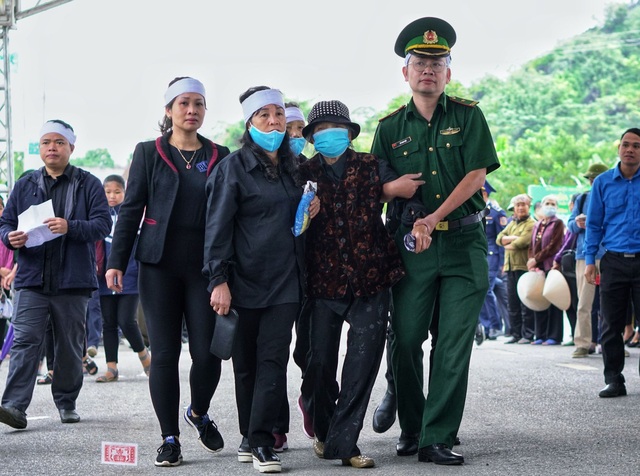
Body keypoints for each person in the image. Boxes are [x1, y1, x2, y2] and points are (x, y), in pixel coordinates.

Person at [371, 17, 499, 465]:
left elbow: (476, 175)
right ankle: (412, 427)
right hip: (412, 251)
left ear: (449, 71)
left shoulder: (468, 115)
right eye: (420, 62)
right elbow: (377, 185)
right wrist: (397, 203)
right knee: (405, 339)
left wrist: (432, 218)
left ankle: (436, 436)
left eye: (437, 62)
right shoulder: (388, 128)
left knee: (451, 343)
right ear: (405, 73)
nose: (428, 69)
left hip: (464, 245)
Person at [105, 77, 230, 466]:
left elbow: (231, 214)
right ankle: (169, 438)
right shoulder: (148, 152)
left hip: (205, 268)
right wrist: (116, 263)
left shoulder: (220, 154)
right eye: (184, 103)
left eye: (198, 104)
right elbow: (130, 211)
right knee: (164, 353)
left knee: (210, 352)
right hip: (159, 265)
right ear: (169, 110)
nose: (192, 110)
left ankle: (198, 412)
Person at [204, 86, 317, 474]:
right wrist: (218, 280)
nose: (273, 122)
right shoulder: (232, 169)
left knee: (273, 359)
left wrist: (310, 211)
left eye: (279, 115)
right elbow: (216, 229)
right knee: (246, 365)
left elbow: (296, 222)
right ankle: (249, 437)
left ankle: (262, 441)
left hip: (285, 281)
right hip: (243, 281)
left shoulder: (295, 168)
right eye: (264, 115)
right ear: (249, 122)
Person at [298, 100, 405, 469]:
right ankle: (325, 432)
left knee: (362, 364)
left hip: (371, 278)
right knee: (318, 364)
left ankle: (346, 444)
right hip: (321, 282)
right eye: (322, 129)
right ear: (312, 137)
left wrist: (415, 211)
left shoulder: (370, 165)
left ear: (350, 133)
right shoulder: (302, 172)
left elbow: (399, 189)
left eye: (338, 128)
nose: (331, 134)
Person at [0, 119, 111, 429]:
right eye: (47, 142)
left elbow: (104, 224)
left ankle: (66, 402)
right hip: (32, 280)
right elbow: (5, 224)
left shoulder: (88, 184)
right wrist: (10, 237)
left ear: (71, 148)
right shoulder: (25, 185)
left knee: (69, 345)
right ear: (40, 148)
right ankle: (13, 406)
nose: (52, 147)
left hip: (73, 280)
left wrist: (69, 226)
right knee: (25, 342)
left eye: (59, 142)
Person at [584, 128, 640, 398]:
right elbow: (593, 224)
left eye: (637, 146)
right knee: (611, 324)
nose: (630, 150)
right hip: (614, 261)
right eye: (626, 145)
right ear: (619, 148)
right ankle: (614, 379)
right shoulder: (603, 182)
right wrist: (589, 260)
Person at [270, 102, 311, 452]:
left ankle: (311, 402)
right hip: (275, 275)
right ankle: (275, 425)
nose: (295, 137)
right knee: (274, 352)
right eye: (290, 129)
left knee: (311, 349)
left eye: (301, 131)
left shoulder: (316, 170)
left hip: (313, 272)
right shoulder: (260, 169)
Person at [95, 174, 151, 383]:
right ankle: (111, 368)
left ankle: (145, 358)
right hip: (102, 278)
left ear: (125, 193)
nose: (112, 196)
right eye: (107, 192)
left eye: (117, 192)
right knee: (108, 322)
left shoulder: (132, 214)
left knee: (126, 320)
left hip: (130, 275)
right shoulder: (98, 214)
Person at [568, 164, 608, 357]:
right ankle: (583, 343)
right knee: (584, 303)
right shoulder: (582, 198)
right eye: (591, 179)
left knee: (612, 302)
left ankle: (610, 343)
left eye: (596, 178)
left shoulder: (612, 196)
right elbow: (570, 224)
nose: (593, 182)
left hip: (609, 254)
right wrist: (577, 223)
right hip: (584, 255)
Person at [527, 194, 565, 345]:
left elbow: (555, 246)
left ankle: (554, 336)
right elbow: (532, 245)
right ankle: (540, 335)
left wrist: (537, 258)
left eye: (553, 204)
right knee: (538, 299)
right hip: (538, 267)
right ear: (542, 206)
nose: (550, 206)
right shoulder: (538, 224)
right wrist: (532, 261)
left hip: (552, 265)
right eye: (547, 203)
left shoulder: (558, 223)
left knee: (553, 299)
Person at [498, 194, 536, 344]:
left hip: (523, 267)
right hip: (510, 267)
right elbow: (498, 238)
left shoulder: (531, 224)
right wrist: (510, 239)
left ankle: (527, 334)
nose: (520, 208)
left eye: (523, 205)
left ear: (528, 207)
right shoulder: (512, 223)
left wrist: (509, 241)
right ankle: (516, 333)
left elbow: (522, 242)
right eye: (517, 205)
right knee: (512, 302)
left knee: (525, 302)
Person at [478, 181, 507, 340]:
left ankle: (495, 325)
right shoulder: (475, 210)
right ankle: (487, 326)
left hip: (493, 255)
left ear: (484, 194)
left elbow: (501, 240)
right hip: (480, 254)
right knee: (480, 289)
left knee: (486, 289)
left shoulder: (496, 213)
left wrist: (502, 262)